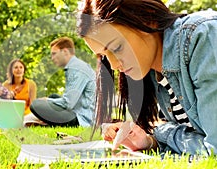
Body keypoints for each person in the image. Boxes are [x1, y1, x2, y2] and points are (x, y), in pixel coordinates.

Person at [77, 0, 217, 155]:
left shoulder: (203, 36)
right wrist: (149, 142)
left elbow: (214, 149)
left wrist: (162, 131)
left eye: (117, 47)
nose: (114, 65)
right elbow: (197, 138)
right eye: (104, 56)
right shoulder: (154, 72)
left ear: (147, 20)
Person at [30, 37, 96, 127]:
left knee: (36, 105)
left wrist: (47, 100)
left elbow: (68, 103)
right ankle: (48, 122)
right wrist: (50, 100)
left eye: (54, 54)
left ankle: (48, 123)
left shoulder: (77, 68)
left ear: (65, 51)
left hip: (84, 118)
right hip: (79, 109)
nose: (52, 58)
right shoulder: (75, 66)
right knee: (53, 96)